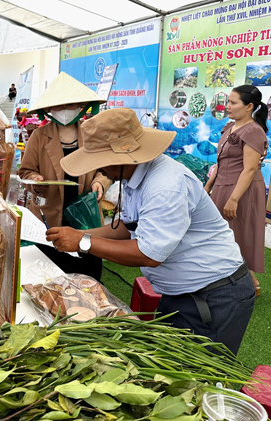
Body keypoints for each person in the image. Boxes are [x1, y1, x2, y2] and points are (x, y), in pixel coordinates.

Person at [48, 108, 254, 355]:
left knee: (198, 378)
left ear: (122, 156)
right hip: (180, 293)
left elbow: (149, 254)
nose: (99, 170)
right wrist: (81, 234)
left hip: (214, 294)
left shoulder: (166, 185)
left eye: (100, 161)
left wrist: (84, 242)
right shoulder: (135, 177)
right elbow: (128, 227)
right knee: (169, 365)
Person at [19, 72, 110, 281]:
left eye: (70, 105)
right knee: (50, 278)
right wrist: (36, 181)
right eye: (59, 106)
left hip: (86, 216)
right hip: (49, 216)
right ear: (49, 109)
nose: (65, 111)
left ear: (81, 105)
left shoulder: (92, 134)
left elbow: (105, 169)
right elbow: (25, 171)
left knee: (88, 278)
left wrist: (100, 182)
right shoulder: (39, 136)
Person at [204, 85, 268, 297]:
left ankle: (247, 283)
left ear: (250, 106)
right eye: (228, 102)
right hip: (223, 185)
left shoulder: (253, 131)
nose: (227, 106)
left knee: (239, 234)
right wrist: (209, 184)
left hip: (242, 190)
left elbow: (249, 169)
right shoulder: (230, 127)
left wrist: (233, 199)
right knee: (225, 234)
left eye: (233, 103)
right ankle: (245, 281)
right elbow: (221, 161)